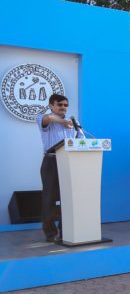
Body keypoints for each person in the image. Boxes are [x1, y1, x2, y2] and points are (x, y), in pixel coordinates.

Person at [36, 94, 81, 242]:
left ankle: (65, 231)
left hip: (69, 162)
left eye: (65, 105)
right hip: (51, 162)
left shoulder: (73, 122)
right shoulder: (44, 118)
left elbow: (81, 140)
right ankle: (50, 233)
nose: (63, 107)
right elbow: (47, 119)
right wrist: (63, 122)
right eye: (59, 104)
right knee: (50, 198)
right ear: (51, 106)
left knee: (67, 198)